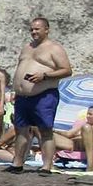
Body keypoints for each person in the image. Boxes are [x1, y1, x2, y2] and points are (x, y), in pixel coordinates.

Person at [9, 17, 73, 175]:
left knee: (45, 130)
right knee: (21, 130)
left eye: (37, 29)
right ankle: (17, 163)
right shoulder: (27, 47)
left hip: (43, 94)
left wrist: (44, 75)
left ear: (46, 29)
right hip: (22, 96)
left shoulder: (54, 48)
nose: (33, 32)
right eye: (31, 29)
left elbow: (66, 70)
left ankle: (46, 166)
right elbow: (20, 67)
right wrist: (14, 89)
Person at [52, 106, 93, 171]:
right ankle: (49, 164)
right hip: (74, 145)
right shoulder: (83, 124)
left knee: (86, 127)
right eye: (87, 114)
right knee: (49, 135)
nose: (87, 116)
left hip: (92, 145)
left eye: (90, 114)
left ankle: (90, 165)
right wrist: (55, 131)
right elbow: (68, 134)